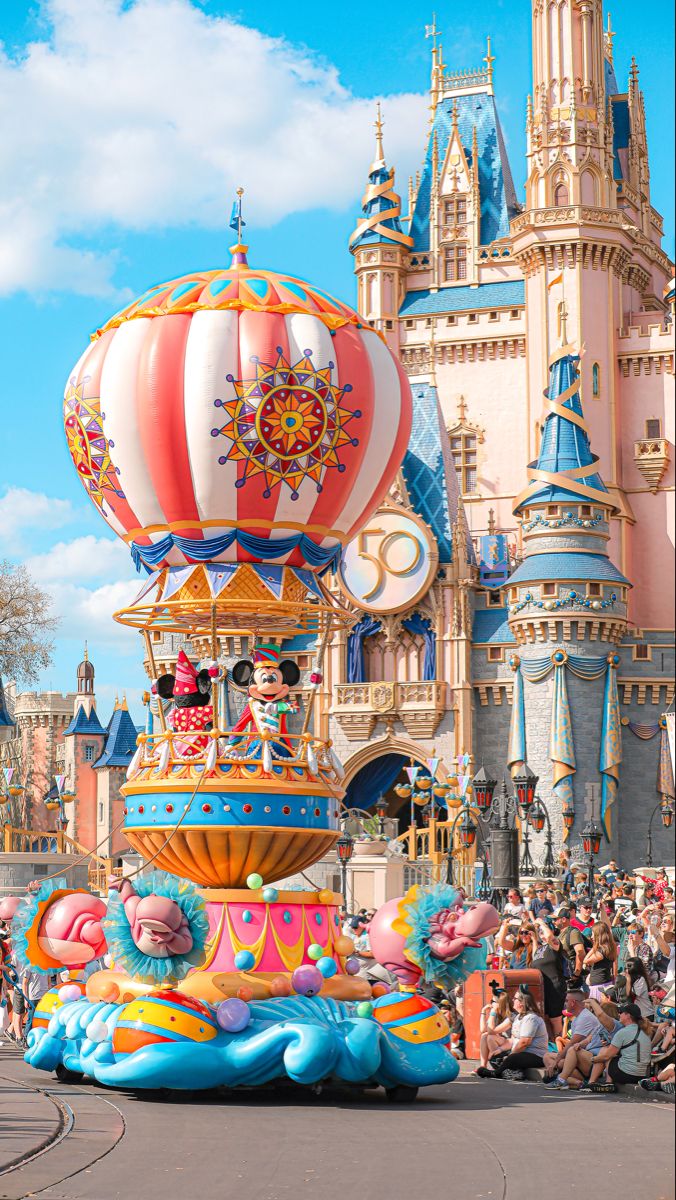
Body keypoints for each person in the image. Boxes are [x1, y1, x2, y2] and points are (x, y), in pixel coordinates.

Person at [476, 987, 549, 1081]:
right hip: (520, 1053)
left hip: (535, 1055)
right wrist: (500, 1049)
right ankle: (511, 1072)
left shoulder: (531, 1018)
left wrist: (511, 1054)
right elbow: (512, 1040)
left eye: (515, 999)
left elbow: (524, 1042)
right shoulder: (518, 1017)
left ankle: (496, 1073)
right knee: (495, 1057)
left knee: (513, 1058)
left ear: (522, 1003)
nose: (513, 1000)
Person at [582, 1002, 651, 1091]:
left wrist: (593, 1059)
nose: (619, 1014)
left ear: (628, 1015)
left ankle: (605, 1083)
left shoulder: (623, 1032)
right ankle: (601, 1082)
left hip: (626, 1075)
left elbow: (607, 1056)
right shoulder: (645, 1032)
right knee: (607, 1050)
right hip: (641, 1075)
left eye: (621, 1012)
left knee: (604, 1051)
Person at [542, 989, 601, 1087]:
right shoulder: (577, 1018)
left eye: (566, 1001)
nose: (564, 1003)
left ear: (573, 1003)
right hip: (579, 1057)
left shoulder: (585, 1017)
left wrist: (555, 1063)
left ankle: (562, 1079)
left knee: (563, 1058)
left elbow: (572, 1043)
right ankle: (573, 1082)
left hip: (591, 1061)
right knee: (547, 1057)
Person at [530, 917, 567, 1037]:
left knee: (555, 1019)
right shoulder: (541, 948)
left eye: (543, 930)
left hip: (555, 987)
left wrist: (541, 923)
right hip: (543, 988)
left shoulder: (554, 945)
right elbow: (534, 958)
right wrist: (534, 938)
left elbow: (550, 937)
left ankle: (560, 1046)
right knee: (544, 1018)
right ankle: (551, 1045)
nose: (541, 932)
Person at [475, 984, 513, 1071]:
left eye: (493, 1001)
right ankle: (483, 1067)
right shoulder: (496, 1014)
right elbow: (483, 1030)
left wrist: (492, 1012)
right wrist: (483, 1012)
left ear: (500, 1003)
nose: (491, 1003)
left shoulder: (510, 1016)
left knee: (490, 1037)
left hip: (510, 1044)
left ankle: (498, 1065)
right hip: (501, 1041)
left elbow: (491, 1032)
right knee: (484, 1035)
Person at [583, 921, 618, 999]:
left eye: (593, 934)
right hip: (605, 982)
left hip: (598, 986)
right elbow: (615, 963)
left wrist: (595, 946)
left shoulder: (602, 951)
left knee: (597, 1009)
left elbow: (586, 960)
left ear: (598, 935)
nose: (591, 937)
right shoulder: (611, 947)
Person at [555, 908, 585, 987]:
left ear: (563, 919)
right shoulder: (559, 933)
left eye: (555, 919)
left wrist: (576, 975)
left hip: (571, 976)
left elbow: (580, 952)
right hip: (563, 973)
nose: (553, 921)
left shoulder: (573, 932)